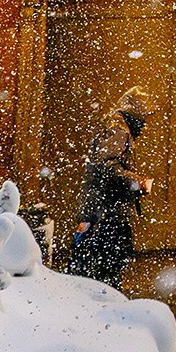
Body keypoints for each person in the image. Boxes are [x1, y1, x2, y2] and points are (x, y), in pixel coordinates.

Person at [64, 86, 153, 290]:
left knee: (94, 268)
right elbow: (108, 167)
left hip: (102, 213)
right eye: (144, 118)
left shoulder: (115, 128)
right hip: (107, 215)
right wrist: (136, 182)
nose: (145, 125)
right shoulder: (118, 131)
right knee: (105, 272)